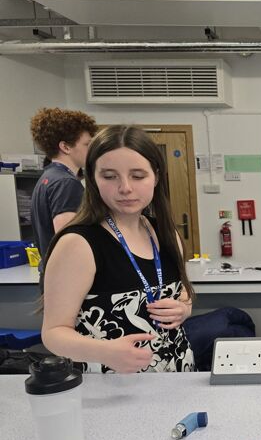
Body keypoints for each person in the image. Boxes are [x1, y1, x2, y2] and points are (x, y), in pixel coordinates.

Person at [41, 125, 195, 373]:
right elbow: (53, 334)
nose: (125, 188)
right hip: (113, 383)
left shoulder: (165, 232)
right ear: (93, 179)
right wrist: (105, 352)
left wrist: (184, 309)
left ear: (156, 177)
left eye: (138, 176)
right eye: (110, 176)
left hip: (176, 374)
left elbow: (182, 292)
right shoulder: (78, 243)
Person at [30, 107, 98, 261]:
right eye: (87, 144)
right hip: (67, 269)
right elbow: (70, 243)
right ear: (65, 147)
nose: (91, 150)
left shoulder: (48, 178)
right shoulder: (66, 183)